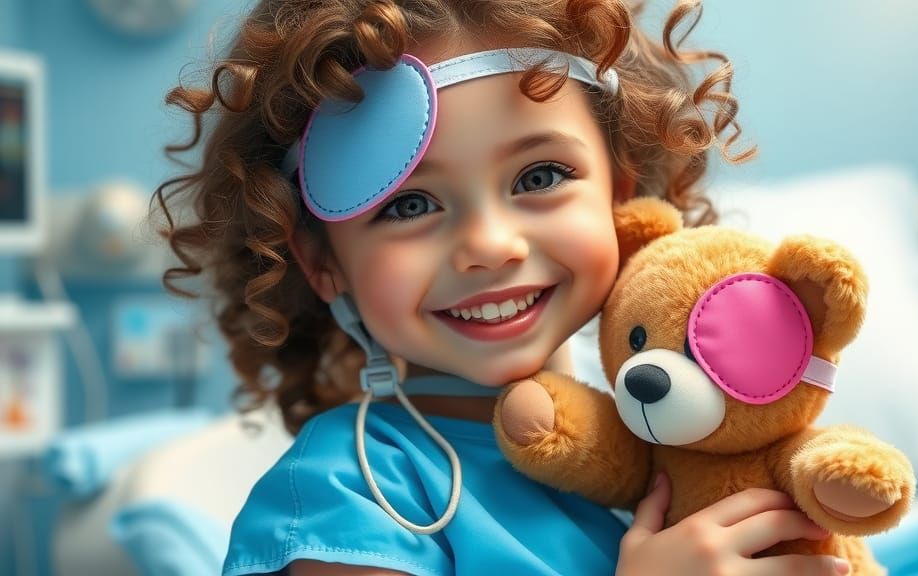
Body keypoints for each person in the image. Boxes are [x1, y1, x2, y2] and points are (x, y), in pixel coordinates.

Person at [154, 0, 851, 574]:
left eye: (539, 176)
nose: (489, 246)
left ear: (618, 193)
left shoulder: (660, 448)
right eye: (408, 204)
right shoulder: (348, 499)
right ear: (321, 261)